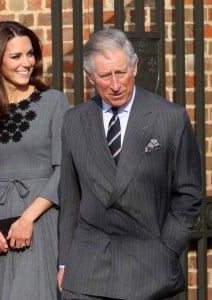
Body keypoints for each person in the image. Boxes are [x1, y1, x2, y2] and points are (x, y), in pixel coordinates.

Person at [57, 28, 202, 300]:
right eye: (105, 76)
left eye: (121, 72)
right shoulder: (74, 120)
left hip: (150, 270)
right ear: (90, 77)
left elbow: (189, 194)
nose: (115, 84)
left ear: (135, 67)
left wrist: (167, 248)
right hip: (87, 272)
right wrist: (66, 262)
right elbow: (70, 200)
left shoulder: (170, 118)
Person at [0, 21, 68, 300]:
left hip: (41, 218)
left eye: (30, 54)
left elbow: (62, 168)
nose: (26, 63)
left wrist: (28, 218)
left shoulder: (54, 101)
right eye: (16, 56)